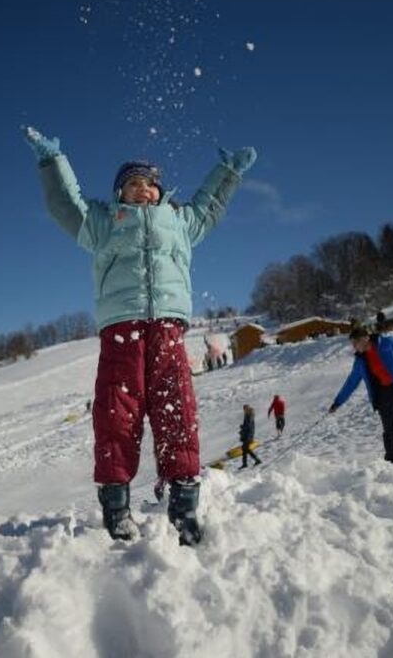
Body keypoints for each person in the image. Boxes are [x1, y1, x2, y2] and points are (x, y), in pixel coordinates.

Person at [23, 126, 256, 545]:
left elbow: (209, 205)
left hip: (168, 329)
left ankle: (184, 506)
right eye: (132, 184)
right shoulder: (104, 223)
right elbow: (66, 206)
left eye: (150, 185)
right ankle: (117, 509)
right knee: (116, 413)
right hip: (121, 331)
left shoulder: (180, 221)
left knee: (177, 411)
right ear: (118, 193)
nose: (142, 190)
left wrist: (227, 173)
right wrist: (51, 162)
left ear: (160, 192)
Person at [328, 326, 393, 463]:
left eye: (356, 342)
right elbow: (351, 382)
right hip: (385, 394)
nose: (354, 347)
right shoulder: (361, 360)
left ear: (366, 338)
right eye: (353, 344)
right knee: (390, 430)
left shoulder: (388, 343)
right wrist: (338, 402)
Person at [238, 405, 262, 469]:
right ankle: (246, 463)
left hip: (248, 435)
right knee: (245, 449)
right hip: (248, 434)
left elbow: (248, 426)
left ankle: (256, 460)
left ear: (247, 409)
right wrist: (243, 428)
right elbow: (247, 425)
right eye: (244, 409)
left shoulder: (249, 415)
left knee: (245, 448)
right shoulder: (248, 414)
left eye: (245, 409)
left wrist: (243, 427)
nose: (244, 410)